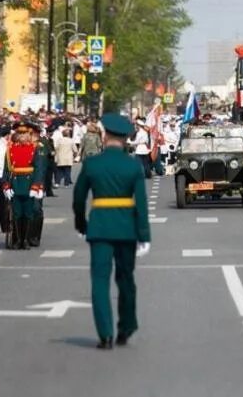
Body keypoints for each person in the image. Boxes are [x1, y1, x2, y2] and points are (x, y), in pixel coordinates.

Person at [73, 113, 151, 349]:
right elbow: (141, 202)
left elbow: (79, 199)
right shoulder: (132, 165)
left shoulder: (92, 164)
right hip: (126, 228)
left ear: (105, 136)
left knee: (99, 280)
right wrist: (144, 234)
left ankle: (105, 333)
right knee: (126, 279)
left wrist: (81, 224)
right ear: (127, 139)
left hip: (99, 228)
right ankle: (126, 327)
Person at [2, 120, 47, 250]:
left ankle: (26, 240)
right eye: (19, 133)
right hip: (15, 183)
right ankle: (17, 240)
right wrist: (6, 185)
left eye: (25, 133)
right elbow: (6, 169)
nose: (22, 136)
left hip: (29, 184)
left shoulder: (35, 149)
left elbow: (38, 168)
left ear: (29, 135)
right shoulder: (10, 150)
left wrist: (36, 185)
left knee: (28, 213)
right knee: (16, 213)